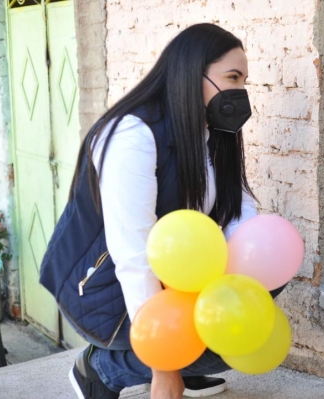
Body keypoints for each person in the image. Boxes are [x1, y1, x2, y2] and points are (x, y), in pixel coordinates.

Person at [40, 23, 283, 399]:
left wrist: (250, 274)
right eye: (231, 77)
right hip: (104, 289)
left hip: (169, 278)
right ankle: (101, 369)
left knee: (259, 290)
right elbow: (133, 253)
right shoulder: (132, 135)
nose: (240, 91)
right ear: (190, 73)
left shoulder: (210, 131)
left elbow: (240, 210)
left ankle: (188, 356)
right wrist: (165, 362)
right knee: (215, 349)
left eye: (244, 80)